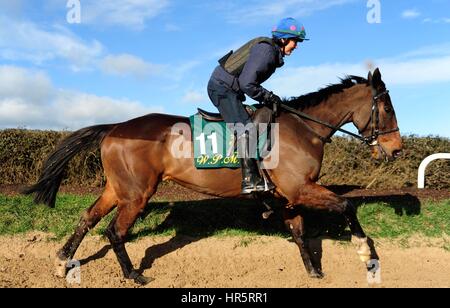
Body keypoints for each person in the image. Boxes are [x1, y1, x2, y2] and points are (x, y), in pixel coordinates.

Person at [207, 17, 308, 194]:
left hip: (230, 89)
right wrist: (268, 96)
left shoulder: (270, 51)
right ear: (283, 39)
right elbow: (247, 83)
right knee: (245, 129)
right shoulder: (266, 51)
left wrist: (268, 98)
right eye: (295, 41)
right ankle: (250, 181)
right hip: (221, 88)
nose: (297, 46)